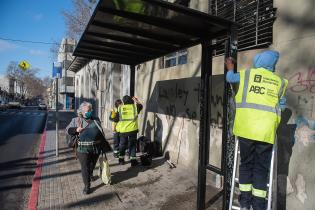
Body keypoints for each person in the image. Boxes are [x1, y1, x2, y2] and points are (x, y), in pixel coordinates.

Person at [225, 50, 288, 210]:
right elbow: (281, 106)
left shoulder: (246, 75)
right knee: (261, 168)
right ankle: (259, 205)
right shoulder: (280, 82)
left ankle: (245, 202)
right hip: (265, 133)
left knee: (246, 165)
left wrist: (230, 66)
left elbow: (230, 78)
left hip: (246, 129)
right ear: (273, 65)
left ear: (257, 61)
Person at [66, 101, 111, 195]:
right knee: (85, 167)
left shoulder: (96, 119)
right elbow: (68, 130)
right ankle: (87, 186)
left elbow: (100, 132)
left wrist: (103, 145)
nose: (89, 112)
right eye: (87, 110)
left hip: (95, 147)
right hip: (82, 148)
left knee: (92, 165)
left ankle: (90, 174)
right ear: (81, 111)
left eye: (90, 110)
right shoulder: (76, 120)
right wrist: (76, 129)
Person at [116, 95, 143, 166]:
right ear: (131, 100)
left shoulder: (120, 108)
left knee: (122, 144)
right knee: (133, 145)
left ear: (124, 101)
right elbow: (140, 106)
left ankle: (121, 160)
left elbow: (116, 118)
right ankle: (133, 161)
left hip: (123, 130)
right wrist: (136, 100)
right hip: (132, 129)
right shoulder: (134, 107)